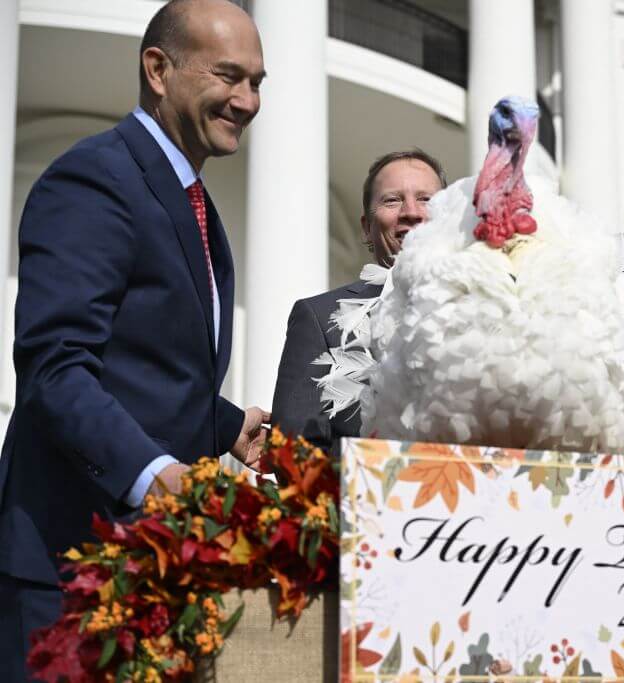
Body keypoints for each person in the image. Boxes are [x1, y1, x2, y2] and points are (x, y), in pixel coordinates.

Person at [0, 1, 270, 677]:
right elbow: (56, 367)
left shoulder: (191, 203)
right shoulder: (96, 179)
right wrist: (156, 477)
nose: (247, 100)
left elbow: (142, 366)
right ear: (158, 69)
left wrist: (225, 424)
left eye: (258, 82)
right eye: (230, 76)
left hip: (141, 573)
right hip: (64, 573)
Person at [271, 150, 446, 454]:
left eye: (426, 199)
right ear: (367, 227)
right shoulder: (319, 318)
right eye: (392, 200)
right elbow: (293, 453)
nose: (412, 212)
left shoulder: (493, 309)